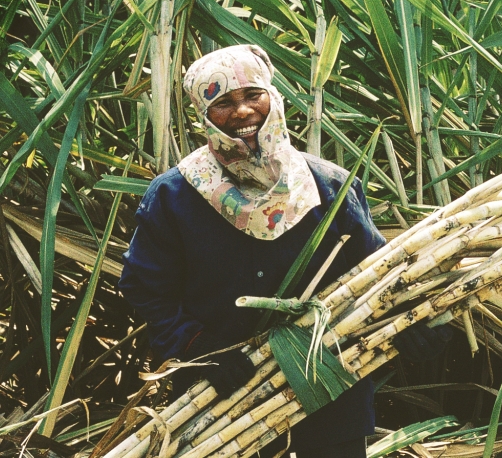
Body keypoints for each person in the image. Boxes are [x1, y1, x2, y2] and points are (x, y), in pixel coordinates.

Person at [119, 44, 385, 457]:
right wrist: (199, 350)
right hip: (223, 399)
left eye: (252, 96)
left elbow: (378, 271)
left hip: (329, 381)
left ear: (273, 98)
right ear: (203, 116)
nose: (242, 111)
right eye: (223, 103)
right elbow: (144, 286)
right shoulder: (174, 196)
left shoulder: (328, 185)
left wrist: (419, 326)